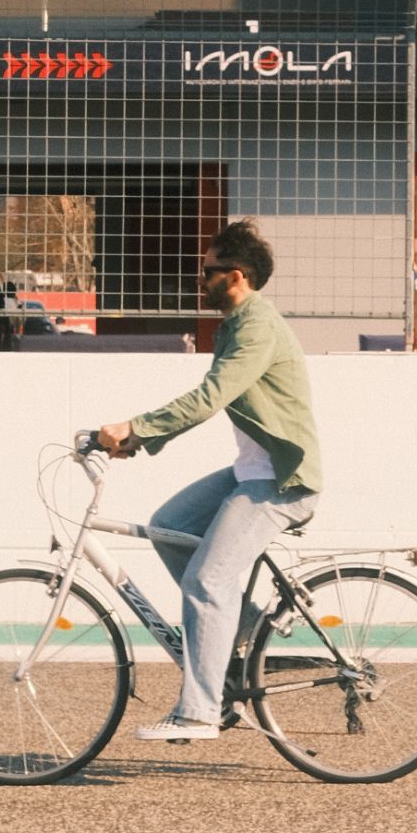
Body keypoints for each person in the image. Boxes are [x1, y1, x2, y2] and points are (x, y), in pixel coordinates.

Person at [97, 220, 322, 742]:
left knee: (206, 581)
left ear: (235, 276)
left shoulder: (257, 328)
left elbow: (209, 397)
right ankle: (244, 627)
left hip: (283, 481)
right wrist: (139, 440)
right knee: (169, 526)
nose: (199, 279)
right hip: (253, 472)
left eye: (208, 271)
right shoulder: (237, 325)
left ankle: (200, 712)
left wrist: (136, 427)